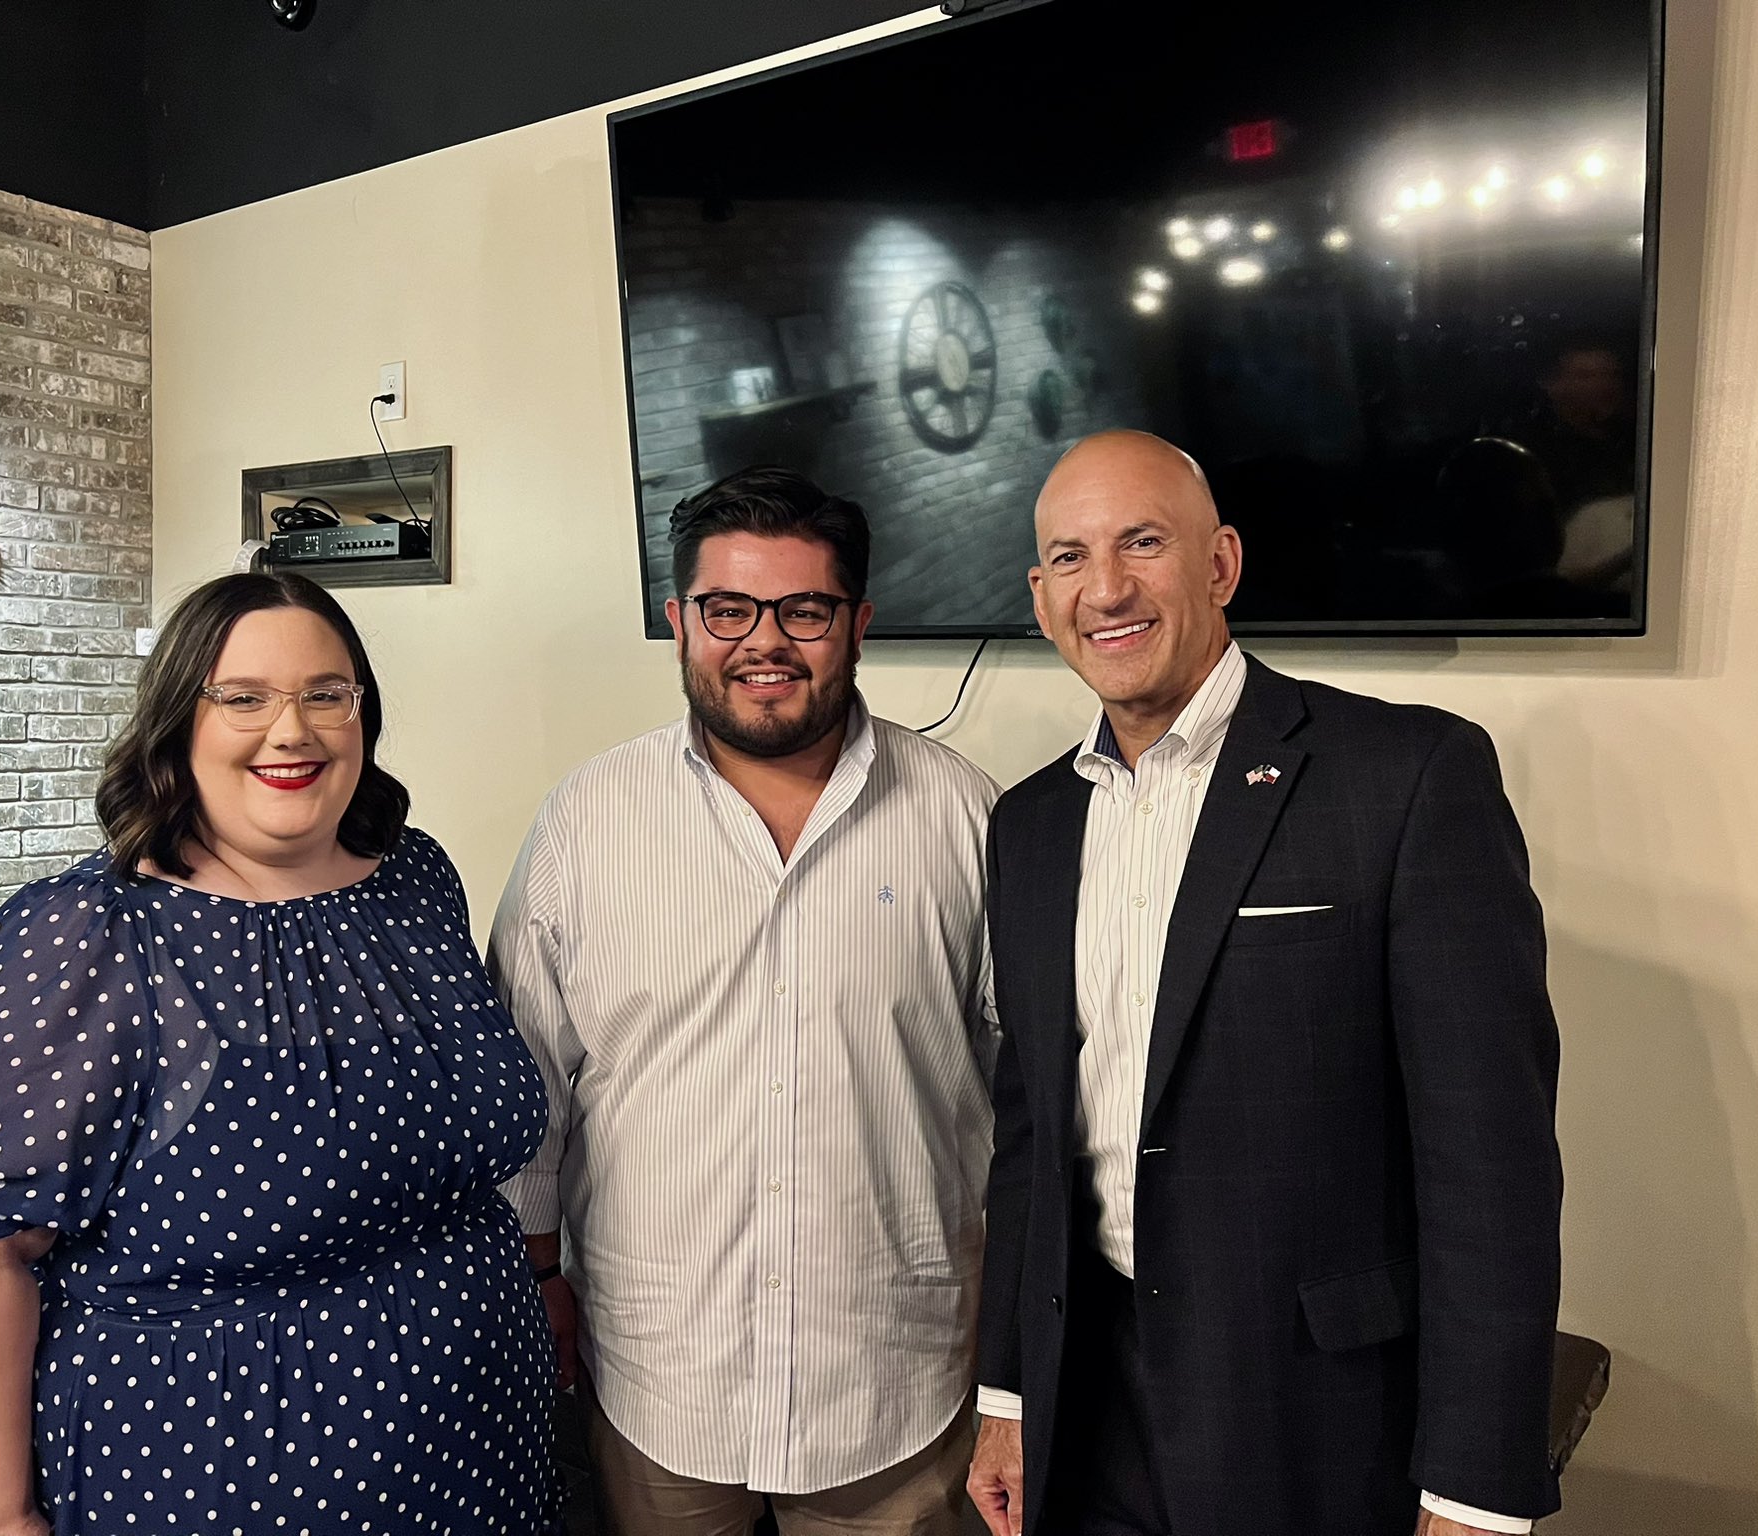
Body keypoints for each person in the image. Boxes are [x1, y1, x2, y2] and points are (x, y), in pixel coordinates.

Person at [0, 572, 560, 1536]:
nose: (292, 730)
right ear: (178, 722)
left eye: (326, 693)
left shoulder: (414, 878)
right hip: (223, 1475)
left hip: (486, 1449)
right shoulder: (90, 935)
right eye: (243, 698)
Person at [966, 432, 1562, 1536]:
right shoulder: (1030, 823)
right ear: (1040, 597)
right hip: (1086, 1397)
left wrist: (1477, 1484)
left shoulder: (1407, 775)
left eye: (1143, 543)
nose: (1106, 588)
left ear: (1220, 564)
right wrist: (1008, 1394)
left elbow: (1492, 1161)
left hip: (1317, 1410)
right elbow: (1029, 1137)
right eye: (1070, 558)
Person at [491, 466, 998, 1535]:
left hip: (892, 1387)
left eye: (804, 610)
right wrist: (538, 1280)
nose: (764, 642)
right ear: (680, 620)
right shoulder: (587, 821)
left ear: (857, 624)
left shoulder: (965, 816)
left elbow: (1028, 1097)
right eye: (727, 609)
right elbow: (526, 1080)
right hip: (659, 1379)